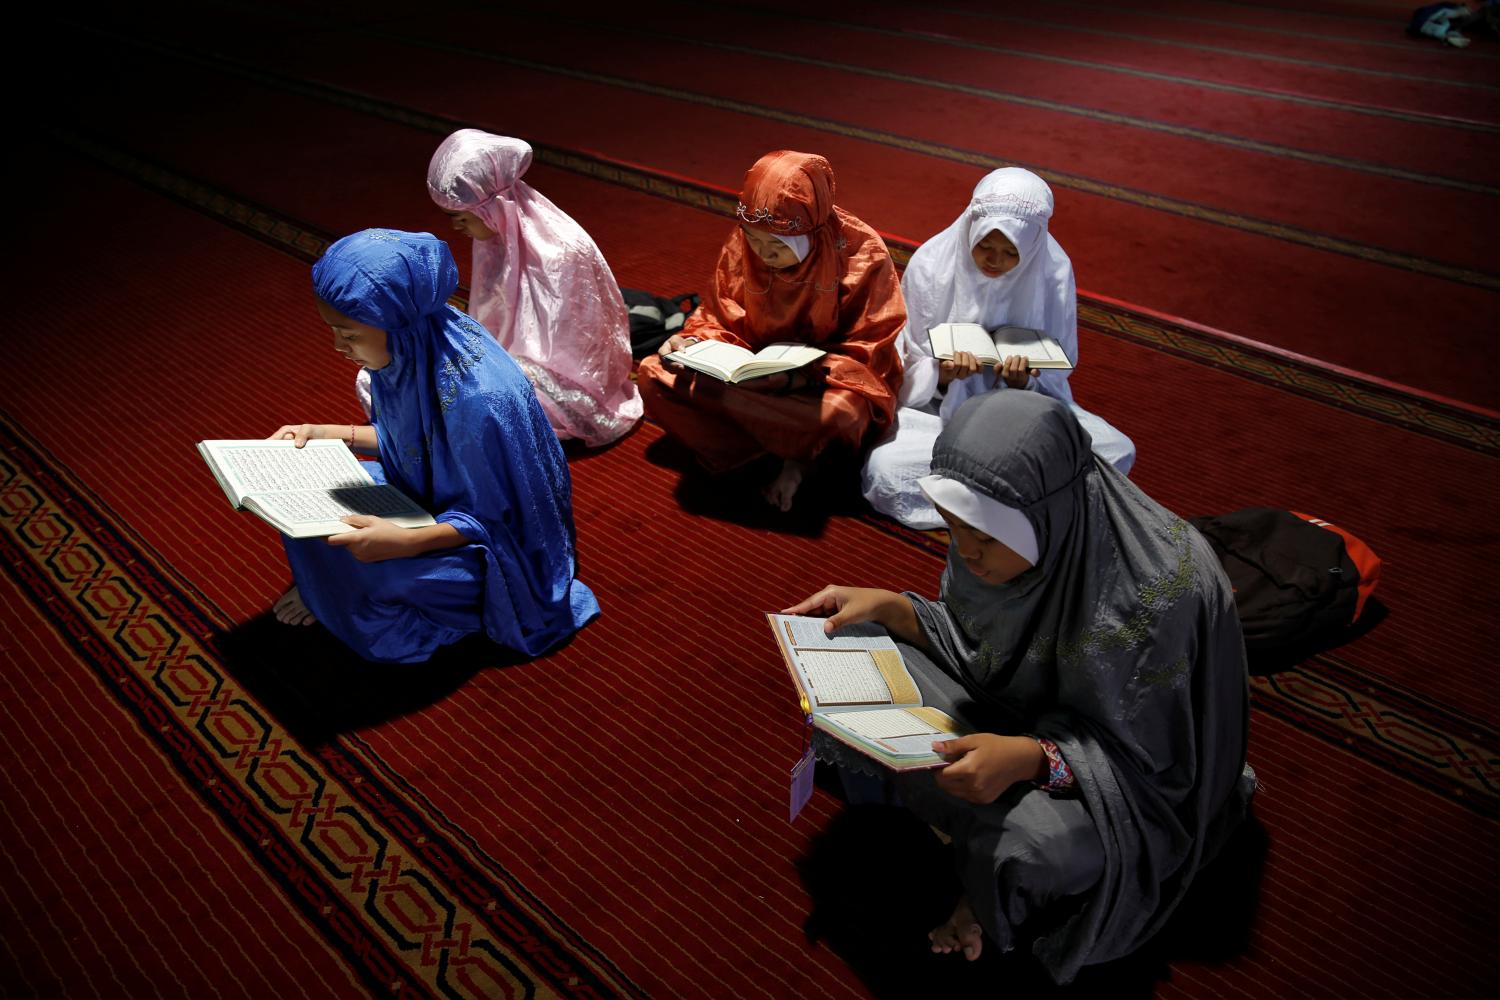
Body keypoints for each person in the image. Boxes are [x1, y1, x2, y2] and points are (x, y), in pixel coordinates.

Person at [786, 391, 1251, 982]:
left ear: (1042, 518)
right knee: (852, 642)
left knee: (1033, 847)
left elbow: (1155, 765)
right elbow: (974, 643)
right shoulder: (996, 531)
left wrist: (1032, 759)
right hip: (1014, 714)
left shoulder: (1157, 596)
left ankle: (977, 878)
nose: (967, 552)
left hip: (1119, 776)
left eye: (984, 536)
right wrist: (897, 609)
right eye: (955, 528)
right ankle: (949, 823)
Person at [271, 228, 600, 663]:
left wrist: (405, 543)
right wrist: (328, 433)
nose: (337, 347)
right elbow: (418, 446)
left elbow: (500, 521)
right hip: (430, 497)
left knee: (386, 578)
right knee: (306, 493)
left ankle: (353, 597)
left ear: (397, 325)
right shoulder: (415, 348)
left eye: (348, 336)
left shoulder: (481, 399)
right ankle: (330, 589)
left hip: (491, 543)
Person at [861, 168, 1136, 530]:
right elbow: (905, 358)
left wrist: (1023, 384)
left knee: (1115, 450)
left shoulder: (1052, 272)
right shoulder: (932, 263)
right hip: (937, 415)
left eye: (1010, 253)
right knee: (886, 471)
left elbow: (1058, 368)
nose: (994, 261)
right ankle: (1026, 505)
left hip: (1022, 418)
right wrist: (943, 374)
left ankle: (976, 498)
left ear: (1033, 246)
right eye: (985, 246)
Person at [636, 150, 905, 511]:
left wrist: (795, 378)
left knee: (846, 413)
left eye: (776, 247)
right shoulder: (744, 243)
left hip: (819, 383)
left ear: (809, 232)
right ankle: (771, 451)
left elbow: (870, 348)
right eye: (755, 242)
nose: (763, 256)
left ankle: (792, 456)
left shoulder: (861, 253)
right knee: (653, 375)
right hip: (751, 372)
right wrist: (692, 342)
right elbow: (719, 315)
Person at [355, 129, 641, 447]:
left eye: (461, 217)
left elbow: (569, 361)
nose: (455, 227)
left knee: (460, 398)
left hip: (564, 387)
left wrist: (483, 371)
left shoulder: (559, 253)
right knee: (387, 370)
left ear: (492, 207)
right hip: (508, 366)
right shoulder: (494, 239)